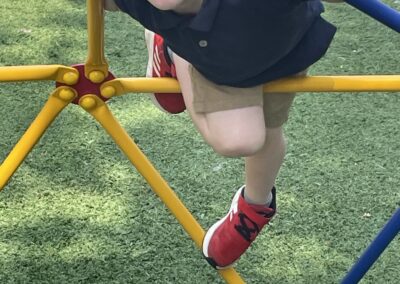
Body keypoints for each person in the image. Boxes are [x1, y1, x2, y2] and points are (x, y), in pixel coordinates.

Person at [104, 0, 342, 269]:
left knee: (269, 127)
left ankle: (255, 205)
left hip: (281, 42)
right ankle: (171, 48)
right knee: (239, 140)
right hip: (210, 55)